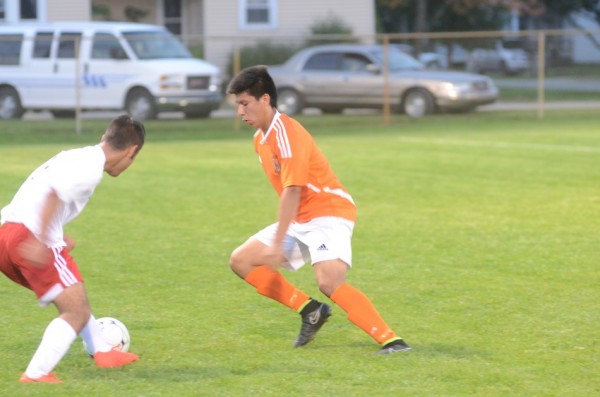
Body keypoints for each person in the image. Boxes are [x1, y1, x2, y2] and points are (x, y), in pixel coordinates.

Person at [227, 66, 411, 354]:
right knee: (241, 260)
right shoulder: (259, 139)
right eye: (237, 104)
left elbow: (293, 189)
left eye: (244, 103)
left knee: (329, 280)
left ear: (265, 100)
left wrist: (278, 243)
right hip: (301, 218)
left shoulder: (285, 132)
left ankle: (392, 341)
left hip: (328, 212)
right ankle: (310, 310)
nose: (240, 111)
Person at [0, 115, 145, 383]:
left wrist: (58, 234)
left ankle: (102, 351)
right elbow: (54, 194)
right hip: (30, 238)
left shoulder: (77, 156)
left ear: (105, 136)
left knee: (74, 295)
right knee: (75, 311)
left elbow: (42, 192)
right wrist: (41, 238)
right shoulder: (89, 170)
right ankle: (36, 374)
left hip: (6, 233)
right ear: (131, 151)